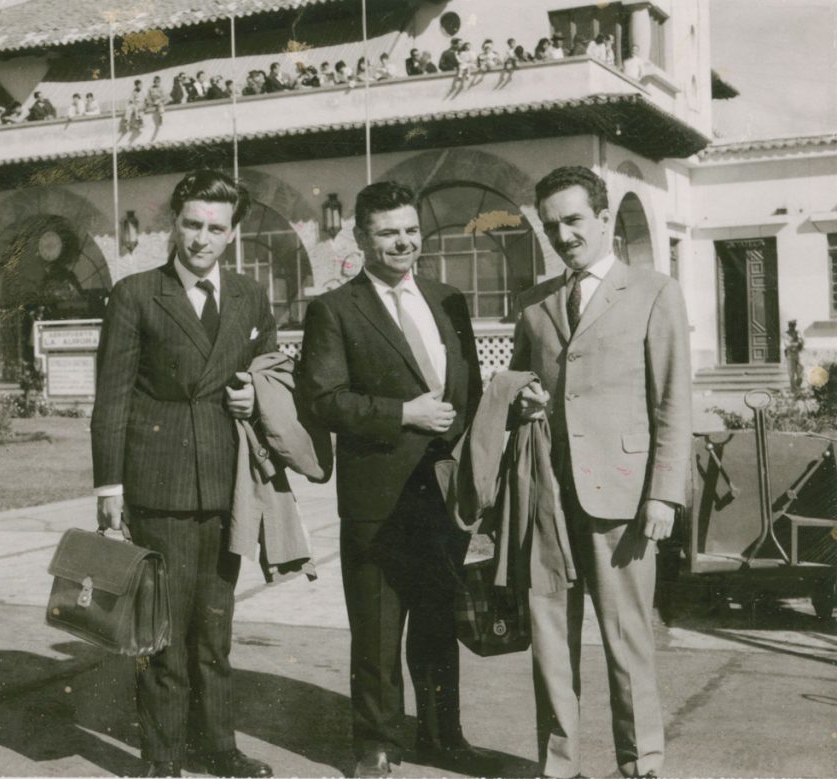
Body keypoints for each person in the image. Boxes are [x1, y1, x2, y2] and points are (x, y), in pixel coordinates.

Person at [91, 169, 277, 779]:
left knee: (215, 629)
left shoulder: (251, 297)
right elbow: (112, 398)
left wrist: (258, 398)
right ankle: (163, 756)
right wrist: (109, 489)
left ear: (233, 234)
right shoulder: (136, 294)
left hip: (226, 484)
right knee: (162, 632)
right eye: (192, 224)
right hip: (159, 482)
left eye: (215, 228)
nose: (201, 239)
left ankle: (218, 748)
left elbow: (272, 376)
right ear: (174, 224)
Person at [509, 166, 691, 779]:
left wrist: (663, 494)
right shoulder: (534, 304)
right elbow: (518, 383)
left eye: (574, 220)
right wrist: (524, 399)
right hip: (548, 496)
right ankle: (558, 766)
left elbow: (673, 401)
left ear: (604, 218)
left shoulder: (653, 291)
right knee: (551, 644)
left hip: (623, 494)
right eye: (551, 224)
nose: (563, 235)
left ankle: (642, 763)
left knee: (627, 639)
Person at [298, 182, 483, 779]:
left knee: (437, 621)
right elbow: (324, 399)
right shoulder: (335, 309)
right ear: (360, 239)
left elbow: (471, 389)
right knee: (378, 629)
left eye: (409, 230)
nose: (402, 242)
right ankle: (377, 744)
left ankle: (441, 735)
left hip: (444, 494)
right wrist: (403, 414)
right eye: (387, 232)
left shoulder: (448, 299)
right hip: (377, 497)